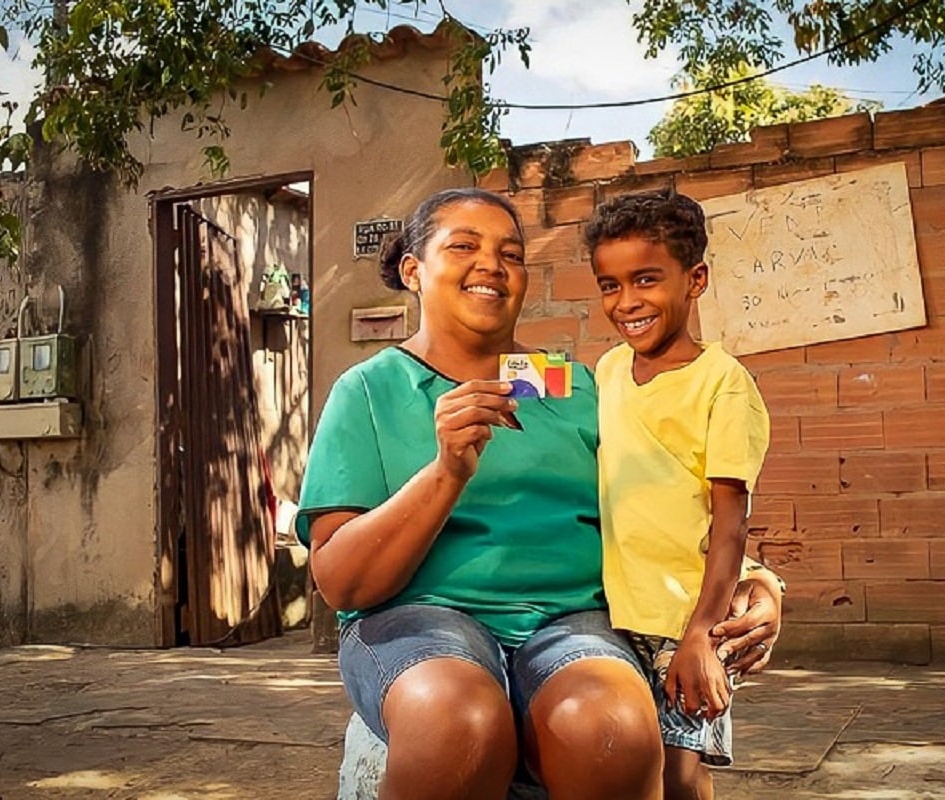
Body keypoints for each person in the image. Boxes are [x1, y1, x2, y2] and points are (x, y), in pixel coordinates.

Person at [296, 187, 780, 800]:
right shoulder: (372, 388)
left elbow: (659, 486)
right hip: (419, 619)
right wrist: (446, 472)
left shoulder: (553, 380)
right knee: (458, 723)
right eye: (464, 246)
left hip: (570, 618)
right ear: (414, 271)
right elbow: (341, 580)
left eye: (511, 253)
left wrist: (758, 582)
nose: (491, 265)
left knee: (611, 730)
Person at [584, 188, 773, 800]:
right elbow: (534, 381)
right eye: (609, 285)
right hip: (617, 613)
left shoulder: (723, 385)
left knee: (679, 773)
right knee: (639, 765)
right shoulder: (608, 370)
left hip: (683, 617)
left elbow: (731, 526)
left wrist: (700, 633)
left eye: (645, 280)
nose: (626, 302)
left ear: (695, 280)